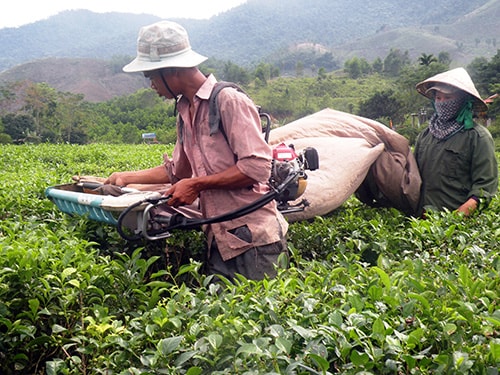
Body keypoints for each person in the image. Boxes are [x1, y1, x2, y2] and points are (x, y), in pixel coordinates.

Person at [105, 20, 288, 281]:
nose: (151, 85)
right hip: (219, 238)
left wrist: (196, 185)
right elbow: (179, 171)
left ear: (171, 71)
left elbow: (257, 167)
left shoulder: (229, 101)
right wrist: (127, 177)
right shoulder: (186, 111)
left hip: (256, 242)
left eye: (151, 76)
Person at [414, 67, 498, 217]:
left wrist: (453, 220)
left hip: (456, 227)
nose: (442, 102)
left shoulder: (478, 137)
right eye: (438, 98)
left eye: (448, 98)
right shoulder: (425, 136)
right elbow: (412, 178)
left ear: (463, 101)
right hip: (420, 224)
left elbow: (484, 190)